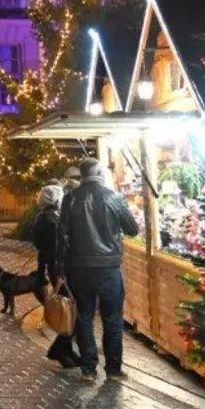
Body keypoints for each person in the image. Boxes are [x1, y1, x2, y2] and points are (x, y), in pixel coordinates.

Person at [56, 157, 139, 384]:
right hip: (109, 267)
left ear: (81, 175)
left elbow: (62, 237)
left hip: (79, 267)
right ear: (100, 172)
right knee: (112, 318)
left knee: (83, 316)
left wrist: (60, 269)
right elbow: (133, 228)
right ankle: (113, 368)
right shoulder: (113, 197)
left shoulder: (70, 199)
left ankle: (88, 369)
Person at [32, 183, 79, 369]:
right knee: (70, 311)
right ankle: (60, 348)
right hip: (60, 270)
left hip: (53, 268)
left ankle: (65, 349)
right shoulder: (52, 221)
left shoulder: (43, 218)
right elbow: (58, 248)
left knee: (69, 311)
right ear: (57, 200)